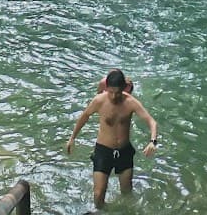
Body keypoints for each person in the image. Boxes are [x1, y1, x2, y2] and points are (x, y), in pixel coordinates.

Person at [65, 68, 159, 208]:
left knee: (126, 192)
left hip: (124, 151)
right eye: (111, 92)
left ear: (123, 89)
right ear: (107, 88)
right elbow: (84, 116)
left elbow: (152, 122)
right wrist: (72, 138)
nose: (114, 96)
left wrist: (152, 141)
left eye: (118, 93)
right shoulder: (99, 101)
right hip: (103, 151)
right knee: (98, 194)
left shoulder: (131, 102)